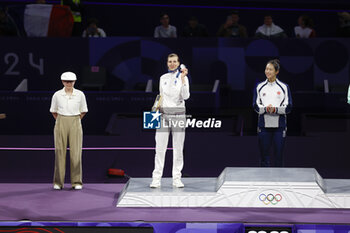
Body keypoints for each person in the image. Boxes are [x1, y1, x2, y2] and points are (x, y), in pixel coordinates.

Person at [150, 53, 190, 188]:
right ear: (167, 63)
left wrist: (183, 79)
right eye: (169, 61)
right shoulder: (163, 78)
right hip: (162, 116)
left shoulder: (183, 78)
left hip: (178, 115)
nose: (172, 63)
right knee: (160, 148)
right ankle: (156, 178)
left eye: (174, 61)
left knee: (178, 149)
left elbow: (186, 96)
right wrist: (155, 109)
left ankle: (177, 178)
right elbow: (160, 95)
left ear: (179, 63)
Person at [50, 71, 88, 190]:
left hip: (75, 120)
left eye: (71, 81)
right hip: (61, 120)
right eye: (66, 81)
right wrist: (62, 120)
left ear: (74, 82)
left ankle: (76, 182)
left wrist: (74, 119)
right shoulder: (57, 95)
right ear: (62, 82)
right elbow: (53, 110)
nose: (69, 83)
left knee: (76, 153)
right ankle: (58, 182)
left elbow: (84, 110)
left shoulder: (80, 94)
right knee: (60, 152)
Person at [253, 59, 292, 167]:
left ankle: (278, 182)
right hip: (263, 126)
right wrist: (266, 109)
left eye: (270, 69)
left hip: (280, 126)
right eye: (266, 69)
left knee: (279, 157)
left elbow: (288, 107)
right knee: (264, 157)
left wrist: (275, 109)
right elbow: (255, 106)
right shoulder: (259, 87)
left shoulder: (284, 87)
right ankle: (264, 182)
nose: (267, 71)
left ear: (276, 71)